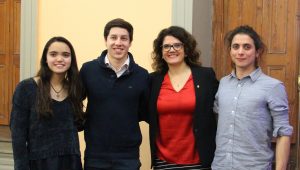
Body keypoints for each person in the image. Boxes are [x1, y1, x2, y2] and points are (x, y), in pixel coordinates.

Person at [212, 25, 293, 170]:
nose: (240, 52)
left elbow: (283, 133)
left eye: (247, 47)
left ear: (257, 52)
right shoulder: (223, 84)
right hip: (220, 165)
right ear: (230, 51)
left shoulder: (273, 87)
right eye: (235, 47)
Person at [79, 18, 149, 170]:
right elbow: (75, 100)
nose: (118, 42)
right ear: (105, 40)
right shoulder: (88, 70)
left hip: (128, 156)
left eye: (124, 38)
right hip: (95, 154)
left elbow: (144, 111)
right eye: (113, 37)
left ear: (130, 42)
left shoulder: (142, 75)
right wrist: (85, 121)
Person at [148, 26, 218, 169]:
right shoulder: (152, 80)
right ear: (161, 52)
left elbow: (218, 109)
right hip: (163, 160)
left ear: (186, 50)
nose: (171, 49)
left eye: (177, 45)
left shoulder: (205, 77)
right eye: (166, 46)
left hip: (198, 161)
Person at [10, 36, 84, 170]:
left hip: (71, 162)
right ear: (45, 58)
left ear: (71, 60)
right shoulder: (26, 88)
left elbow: (78, 124)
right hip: (39, 163)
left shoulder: (75, 89)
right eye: (53, 54)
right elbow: (18, 135)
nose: (60, 59)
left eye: (66, 55)